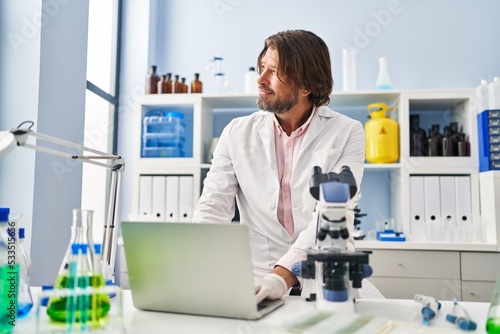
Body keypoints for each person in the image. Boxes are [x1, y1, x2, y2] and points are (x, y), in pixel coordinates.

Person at [192, 29, 378, 303]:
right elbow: (212, 207)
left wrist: (282, 275)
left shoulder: (347, 132)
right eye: (262, 68)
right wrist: (197, 265)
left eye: (274, 72)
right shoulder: (236, 132)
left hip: (327, 271)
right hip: (256, 275)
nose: (260, 79)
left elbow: (332, 214)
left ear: (307, 86)